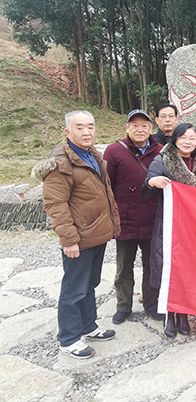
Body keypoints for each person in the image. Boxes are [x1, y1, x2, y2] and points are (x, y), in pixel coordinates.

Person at [32, 110, 120, 359]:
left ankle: (88, 326)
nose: (86, 132)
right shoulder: (61, 162)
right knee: (74, 289)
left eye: (90, 126)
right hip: (79, 238)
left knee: (89, 283)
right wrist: (69, 240)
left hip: (95, 233)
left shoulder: (92, 155)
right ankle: (69, 338)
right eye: (79, 127)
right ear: (67, 131)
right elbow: (55, 204)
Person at [142, 123, 196, 338]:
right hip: (169, 224)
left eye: (192, 138)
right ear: (175, 139)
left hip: (194, 227)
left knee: (189, 270)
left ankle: (184, 314)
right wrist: (152, 182)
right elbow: (145, 193)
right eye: (183, 137)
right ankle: (169, 315)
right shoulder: (162, 160)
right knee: (169, 269)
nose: (187, 142)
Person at [103, 109, 163, 325]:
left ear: (151, 128)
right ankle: (123, 306)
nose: (140, 129)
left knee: (151, 266)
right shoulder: (114, 151)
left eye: (144, 126)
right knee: (123, 268)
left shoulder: (161, 151)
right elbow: (106, 186)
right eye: (135, 125)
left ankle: (152, 304)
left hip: (152, 219)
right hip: (125, 220)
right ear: (127, 128)